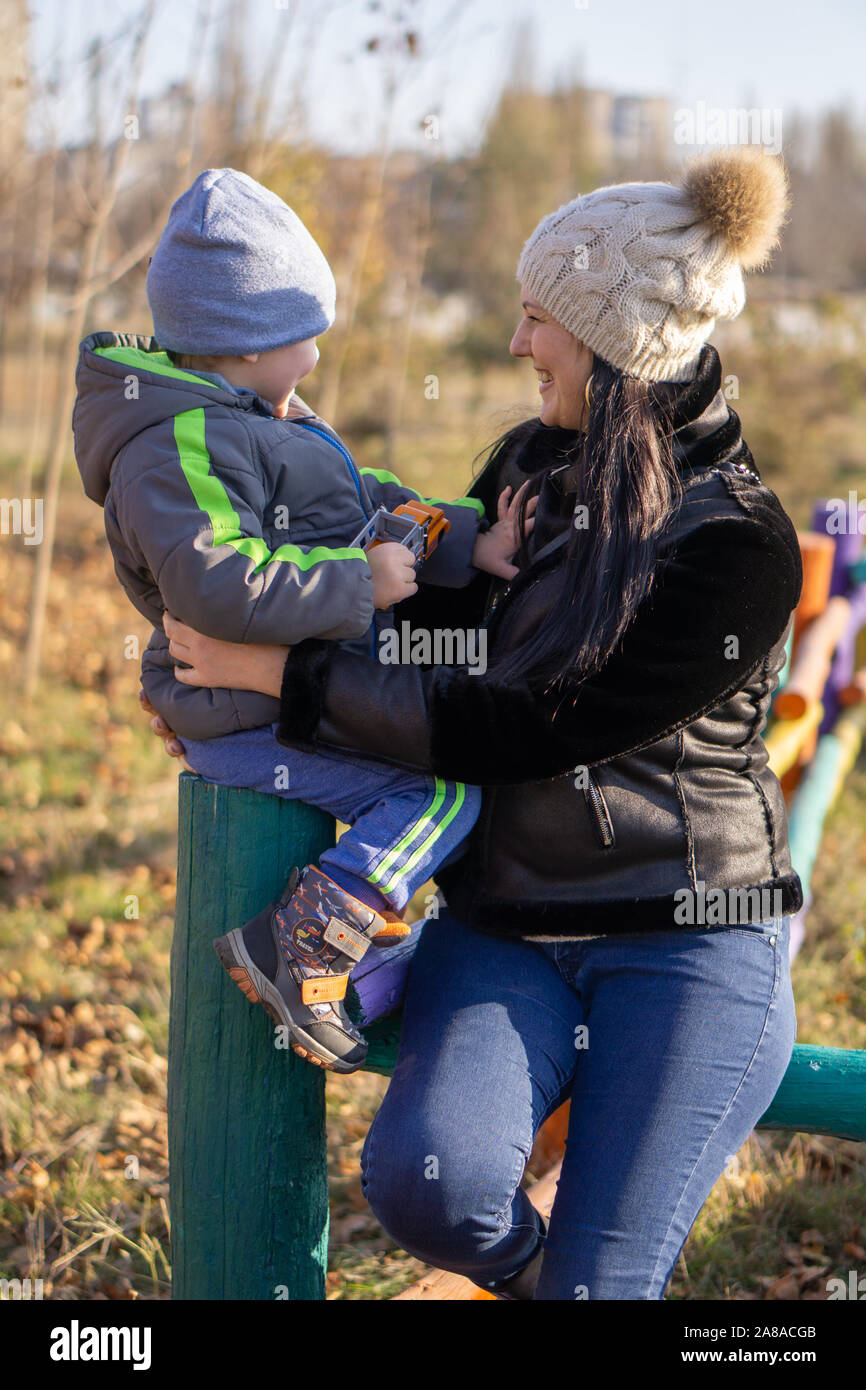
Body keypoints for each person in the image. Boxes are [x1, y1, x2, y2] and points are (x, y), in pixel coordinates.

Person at [145, 147, 803, 1300]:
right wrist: (228, 698)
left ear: (609, 345)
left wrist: (275, 683)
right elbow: (414, 644)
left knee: (611, 1277)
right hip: (506, 925)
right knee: (427, 1187)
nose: (513, 345)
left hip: (685, 938)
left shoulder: (736, 545)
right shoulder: (524, 473)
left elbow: (520, 728)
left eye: (536, 318)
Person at [72, 167, 531, 1075]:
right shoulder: (177, 444)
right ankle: (306, 944)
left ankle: (367, 950)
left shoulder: (263, 414)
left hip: (286, 692)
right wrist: (355, 584)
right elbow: (214, 582)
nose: (317, 358)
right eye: (302, 338)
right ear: (240, 346)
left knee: (438, 797)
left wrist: (460, 542)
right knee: (441, 793)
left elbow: (360, 502)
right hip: (239, 708)